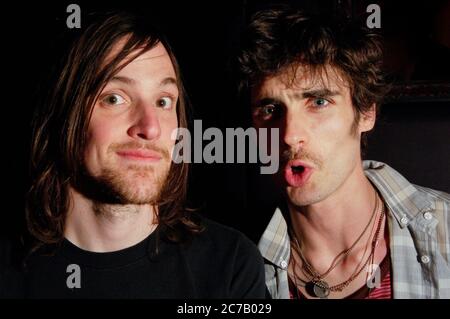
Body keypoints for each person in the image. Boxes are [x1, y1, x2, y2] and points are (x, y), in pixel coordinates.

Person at [18, 11, 265, 298]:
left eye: (163, 101)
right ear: (64, 114)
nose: (150, 127)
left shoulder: (230, 267)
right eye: (114, 98)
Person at [237, 7, 450, 299]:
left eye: (319, 102)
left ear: (366, 112)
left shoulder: (445, 231)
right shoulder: (236, 262)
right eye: (270, 110)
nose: (289, 135)